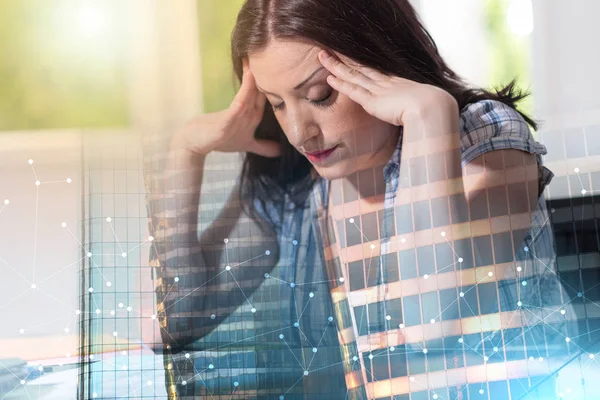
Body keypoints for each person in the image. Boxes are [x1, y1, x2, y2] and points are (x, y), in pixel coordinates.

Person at [145, 0, 575, 399]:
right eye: (277, 104)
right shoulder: (302, 185)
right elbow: (169, 327)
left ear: (380, 60)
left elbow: (433, 322)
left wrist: (427, 115)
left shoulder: (484, 138)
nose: (299, 132)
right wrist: (185, 152)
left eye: (320, 96)